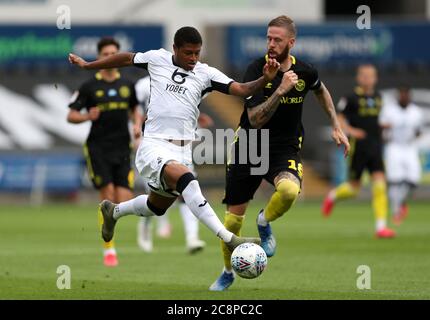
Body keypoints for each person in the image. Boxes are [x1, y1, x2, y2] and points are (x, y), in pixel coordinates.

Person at [68, 26, 282, 263]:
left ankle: (113, 211)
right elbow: (127, 58)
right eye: (188, 53)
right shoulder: (157, 59)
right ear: (175, 48)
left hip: (182, 150)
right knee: (188, 180)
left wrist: (265, 79)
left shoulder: (206, 73)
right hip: (153, 146)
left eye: (197, 53)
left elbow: (242, 89)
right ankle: (229, 238)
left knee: (156, 207)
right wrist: (89, 65)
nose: (193, 58)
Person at [209, 15, 350, 291]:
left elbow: (321, 90)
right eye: (268, 38)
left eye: (277, 40)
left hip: (284, 146)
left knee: (288, 192)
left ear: (291, 43)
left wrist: (336, 125)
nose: (271, 45)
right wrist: (280, 89)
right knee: (232, 222)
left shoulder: (305, 71)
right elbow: (256, 118)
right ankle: (227, 271)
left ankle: (264, 221)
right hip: (250, 144)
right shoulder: (256, 69)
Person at [67, 37, 141, 267]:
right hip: (98, 148)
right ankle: (109, 249)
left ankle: (113, 230)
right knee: (107, 195)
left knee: (124, 200)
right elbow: (71, 115)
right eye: (105, 54)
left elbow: (134, 109)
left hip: (122, 147)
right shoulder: (89, 86)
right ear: (99, 57)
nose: (109, 58)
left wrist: (137, 124)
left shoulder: (127, 84)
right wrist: (87, 116)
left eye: (113, 54)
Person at [134, 76, 210, 254]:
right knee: (155, 195)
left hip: (180, 142)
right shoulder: (143, 85)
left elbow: (181, 110)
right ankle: (145, 227)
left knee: (187, 189)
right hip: (152, 141)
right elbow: (136, 109)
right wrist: (137, 129)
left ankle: (192, 238)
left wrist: (198, 120)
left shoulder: (180, 81)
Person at [321, 64, 396, 238]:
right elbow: (339, 119)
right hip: (358, 148)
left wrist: (383, 126)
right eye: (364, 75)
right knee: (354, 189)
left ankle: (381, 227)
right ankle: (332, 196)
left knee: (379, 186)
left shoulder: (378, 97)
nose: (368, 78)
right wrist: (352, 131)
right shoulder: (350, 98)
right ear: (358, 78)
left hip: (376, 147)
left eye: (371, 75)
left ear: (376, 78)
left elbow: (375, 120)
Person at [379, 87, 423, 225]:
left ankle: (401, 202)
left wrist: (413, 137)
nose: (404, 97)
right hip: (394, 147)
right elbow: (380, 126)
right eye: (401, 95)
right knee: (395, 181)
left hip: (409, 147)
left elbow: (419, 130)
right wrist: (385, 134)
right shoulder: (389, 110)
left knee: (414, 180)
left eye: (406, 95)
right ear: (398, 96)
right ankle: (396, 211)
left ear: (409, 96)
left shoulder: (416, 112)